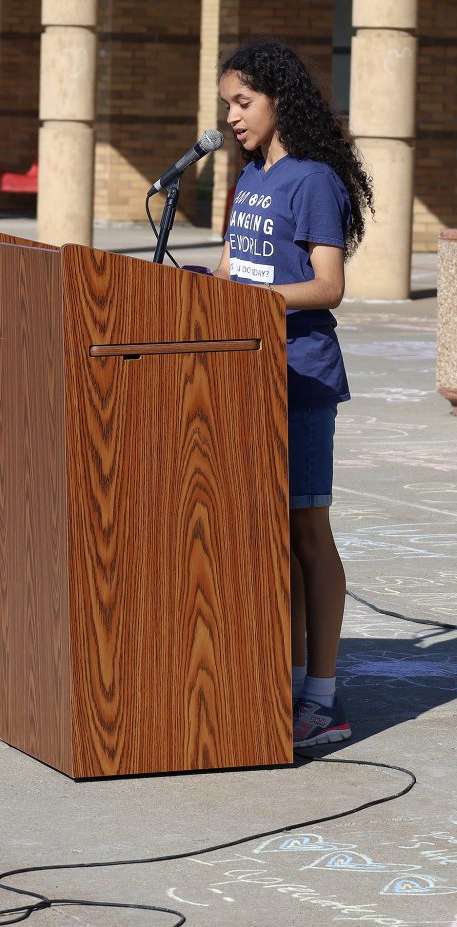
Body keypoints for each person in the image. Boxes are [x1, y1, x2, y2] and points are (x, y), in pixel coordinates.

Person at [214, 40, 374, 748]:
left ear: (278, 100)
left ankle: (322, 697)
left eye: (241, 103)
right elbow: (230, 268)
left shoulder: (310, 181)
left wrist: (253, 303)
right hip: (245, 376)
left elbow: (327, 284)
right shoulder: (250, 176)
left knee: (307, 534)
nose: (230, 117)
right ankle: (277, 680)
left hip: (299, 376)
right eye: (226, 104)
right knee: (267, 538)